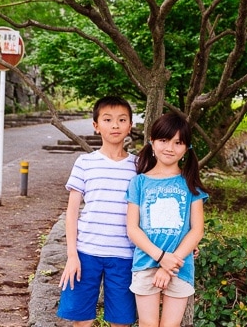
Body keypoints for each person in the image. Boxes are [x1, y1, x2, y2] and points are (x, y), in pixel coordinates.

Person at [57, 96, 137, 327]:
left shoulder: (138, 166)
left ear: (130, 125)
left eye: (122, 120)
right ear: (96, 125)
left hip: (125, 256)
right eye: (108, 119)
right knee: (82, 320)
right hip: (86, 254)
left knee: (121, 321)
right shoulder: (85, 162)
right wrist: (72, 256)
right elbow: (72, 213)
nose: (115, 125)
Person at [126, 112, 209, 327]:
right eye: (163, 140)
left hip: (180, 266)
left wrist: (169, 266)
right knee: (148, 324)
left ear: (186, 148)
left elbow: (197, 230)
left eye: (178, 142)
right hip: (145, 263)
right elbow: (133, 229)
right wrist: (160, 257)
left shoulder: (191, 184)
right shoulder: (139, 183)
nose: (170, 148)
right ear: (152, 142)